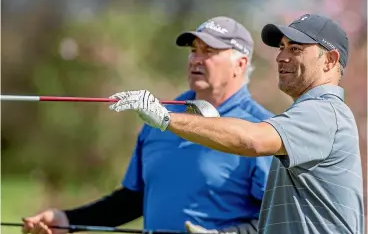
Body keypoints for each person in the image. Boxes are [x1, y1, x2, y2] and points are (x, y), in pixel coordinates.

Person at [107, 14, 364, 234]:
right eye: (282, 48)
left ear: (330, 60)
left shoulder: (324, 112)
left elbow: (252, 140)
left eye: (295, 49)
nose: (281, 57)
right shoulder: (307, 114)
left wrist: (164, 118)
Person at [22, 17, 274, 234]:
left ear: (240, 64)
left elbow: (279, 218)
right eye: (194, 50)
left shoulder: (263, 131)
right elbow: (136, 197)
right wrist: (69, 221)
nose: (196, 59)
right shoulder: (160, 116)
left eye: (209, 51)